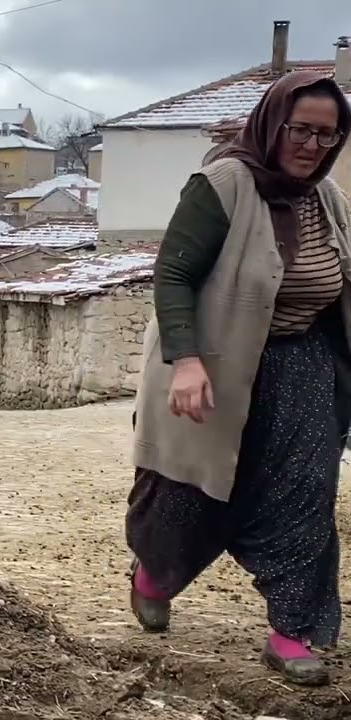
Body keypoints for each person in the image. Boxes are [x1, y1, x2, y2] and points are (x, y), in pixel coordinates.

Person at [127, 69, 351, 687]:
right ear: (272, 123)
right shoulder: (224, 183)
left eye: (328, 135)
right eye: (300, 130)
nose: (313, 145)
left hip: (300, 365)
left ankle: (291, 631)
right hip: (215, 362)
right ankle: (155, 574)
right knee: (188, 492)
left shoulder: (329, 199)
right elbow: (173, 275)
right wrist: (186, 361)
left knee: (305, 495)